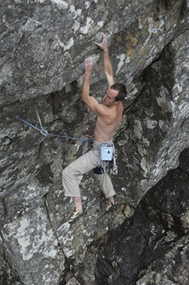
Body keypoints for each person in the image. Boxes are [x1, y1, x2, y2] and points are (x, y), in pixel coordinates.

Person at [62, 33, 127, 224]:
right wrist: (106, 50)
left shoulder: (107, 112)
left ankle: (78, 207)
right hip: (108, 146)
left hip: (100, 151)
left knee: (69, 172)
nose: (105, 98)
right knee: (100, 171)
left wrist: (88, 73)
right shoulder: (118, 102)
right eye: (107, 94)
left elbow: (85, 98)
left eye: (108, 98)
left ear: (117, 101)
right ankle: (111, 197)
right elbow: (109, 74)